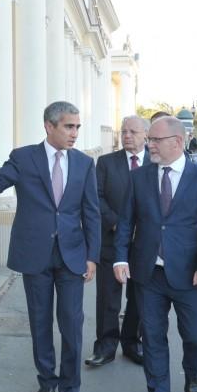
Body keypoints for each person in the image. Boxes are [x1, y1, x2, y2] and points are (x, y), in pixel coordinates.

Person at [0, 101, 100, 392]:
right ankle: (47, 383)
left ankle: (70, 390)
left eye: (77, 127)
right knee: (40, 322)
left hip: (72, 255)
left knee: (72, 324)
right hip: (35, 254)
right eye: (68, 126)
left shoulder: (84, 163)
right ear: (49, 126)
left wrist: (92, 257)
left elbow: (91, 213)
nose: (74, 133)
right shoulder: (24, 157)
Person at [113, 116, 197, 392]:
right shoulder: (139, 177)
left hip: (190, 275)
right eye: (149, 139)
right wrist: (120, 258)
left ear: (177, 142)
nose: (149, 145)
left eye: (155, 140)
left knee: (195, 335)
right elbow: (126, 222)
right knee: (152, 336)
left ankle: (192, 372)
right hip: (148, 273)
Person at [85, 115, 148, 369]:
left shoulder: (155, 163)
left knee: (139, 297)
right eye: (124, 131)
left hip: (144, 244)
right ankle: (105, 346)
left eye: (133, 131)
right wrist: (117, 225)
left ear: (146, 135)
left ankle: (132, 343)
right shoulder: (106, 163)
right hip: (111, 240)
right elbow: (96, 197)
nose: (127, 136)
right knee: (108, 297)